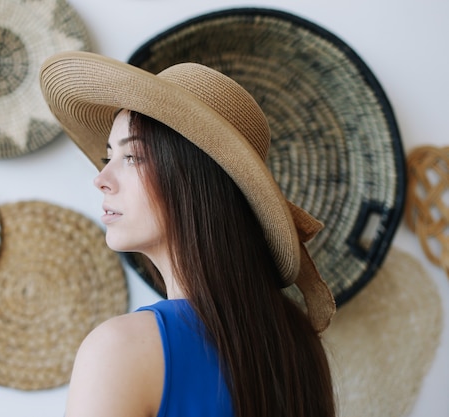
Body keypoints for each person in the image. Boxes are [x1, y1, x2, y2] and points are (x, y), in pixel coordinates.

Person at [40, 51, 337, 417]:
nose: (101, 179)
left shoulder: (121, 349)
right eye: (107, 158)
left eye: (132, 157)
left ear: (193, 180)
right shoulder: (298, 344)